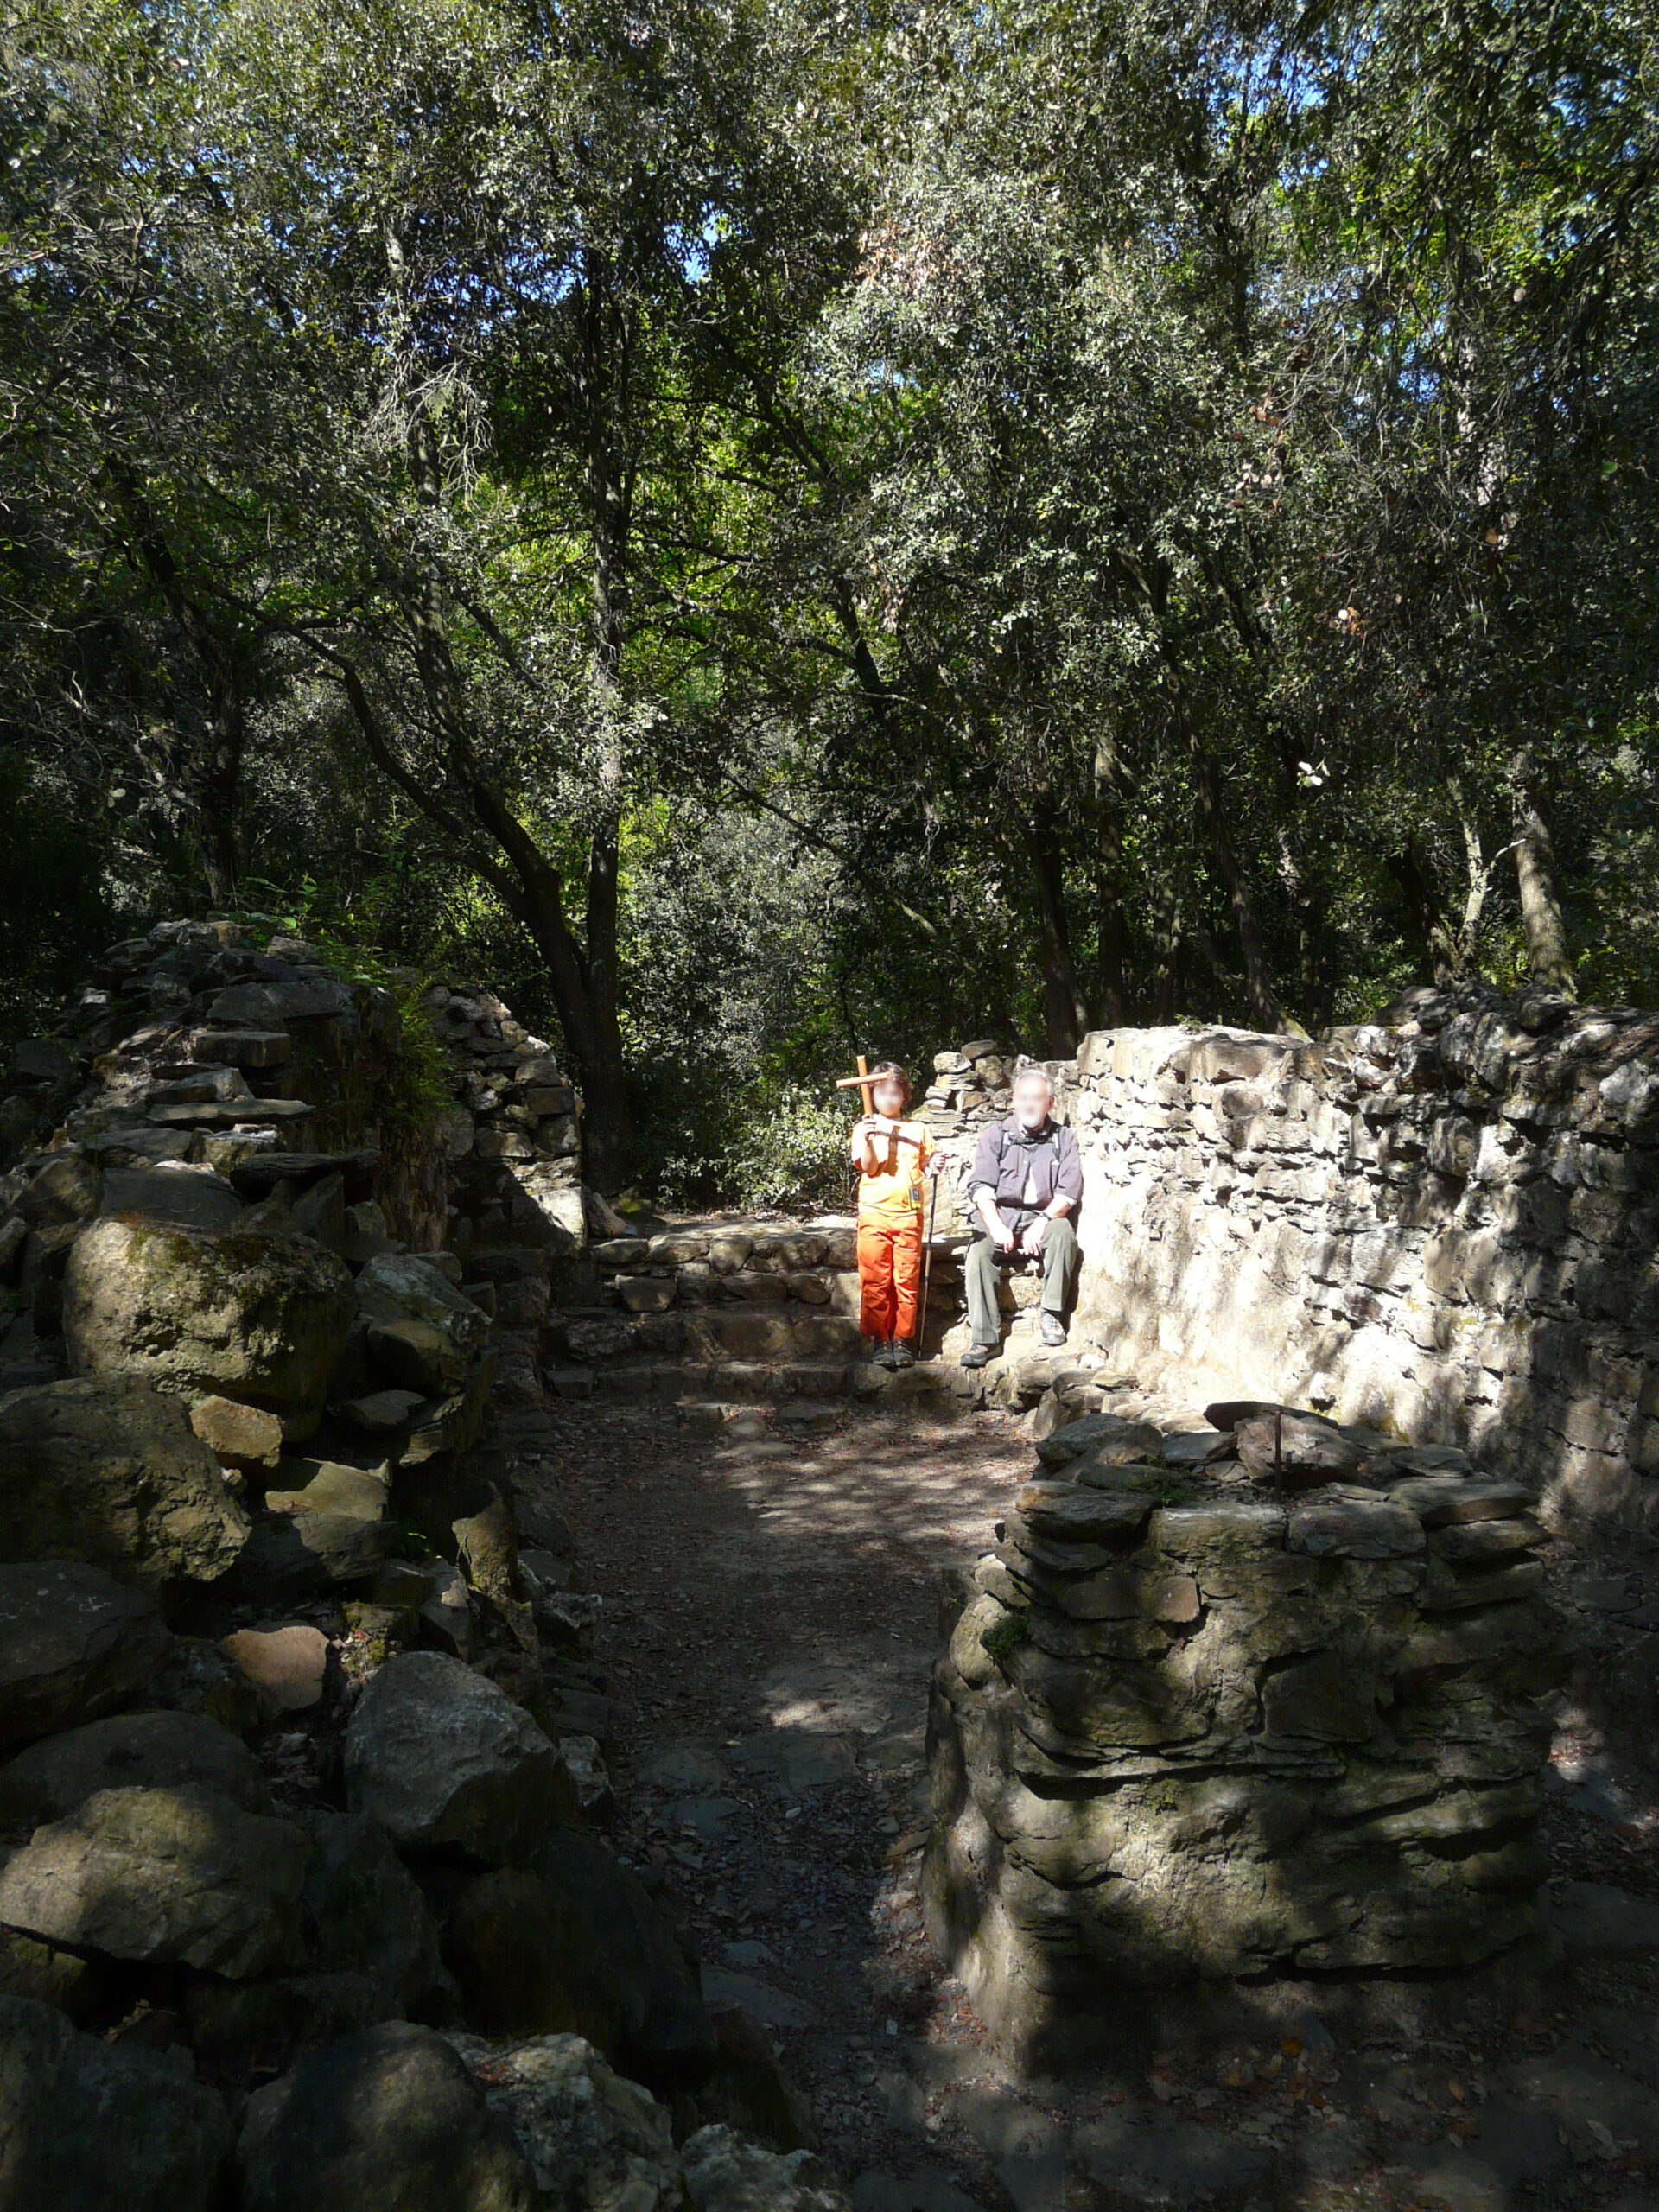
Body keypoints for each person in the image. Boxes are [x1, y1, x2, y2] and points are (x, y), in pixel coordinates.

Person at [960, 1066, 1082, 1369]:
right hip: (999, 1213)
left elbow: (1068, 1192)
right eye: (1024, 1098)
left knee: (1063, 1233)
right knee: (978, 1251)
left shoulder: (1064, 1139)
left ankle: (1052, 1314)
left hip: (1042, 1214)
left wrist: (1042, 1220)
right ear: (1014, 1100)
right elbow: (980, 1188)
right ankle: (985, 1338)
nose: (1030, 1105)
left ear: (1050, 1103)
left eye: (1037, 1099)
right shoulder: (996, 1135)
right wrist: (997, 1225)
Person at [850, 1061, 939, 1369]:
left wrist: (934, 1165)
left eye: (895, 1092)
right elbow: (870, 1167)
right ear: (872, 1095)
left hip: (909, 1216)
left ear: (905, 1095)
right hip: (875, 1212)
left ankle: (902, 1339)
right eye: (882, 1092)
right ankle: (880, 1339)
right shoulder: (863, 1128)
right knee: (875, 1278)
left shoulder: (919, 1129)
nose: (888, 1098)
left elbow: (926, 1163)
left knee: (906, 1279)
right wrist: (869, 1138)